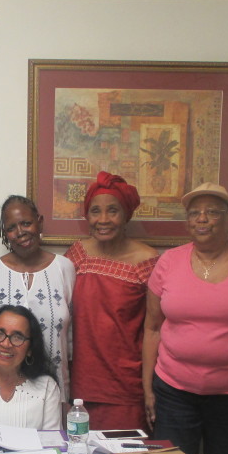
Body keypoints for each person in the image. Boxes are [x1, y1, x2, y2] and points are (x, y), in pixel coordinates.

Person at [141, 183, 228, 454]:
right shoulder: (168, 262)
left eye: (212, 212)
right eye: (194, 213)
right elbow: (152, 327)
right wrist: (147, 388)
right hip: (174, 390)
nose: (202, 219)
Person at [65, 171, 157, 430]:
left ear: (127, 214)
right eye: (96, 211)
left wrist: (150, 388)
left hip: (127, 388)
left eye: (113, 211)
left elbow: (156, 328)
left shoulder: (146, 261)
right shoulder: (77, 255)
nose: (103, 220)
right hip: (80, 384)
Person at [0, 195, 75, 394]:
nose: (20, 233)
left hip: (54, 388)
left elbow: (71, 340)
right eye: (11, 228)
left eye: (26, 223)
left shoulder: (64, 268)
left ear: (39, 223)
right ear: (5, 233)